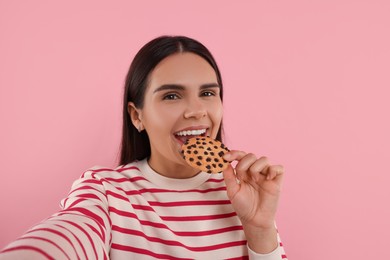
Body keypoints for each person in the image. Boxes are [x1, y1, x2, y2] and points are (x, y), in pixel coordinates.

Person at [0, 36, 287, 259]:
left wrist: (260, 229)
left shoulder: (244, 193)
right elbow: (69, 235)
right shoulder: (105, 191)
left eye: (208, 93)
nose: (197, 110)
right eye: (172, 95)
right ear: (137, 115)